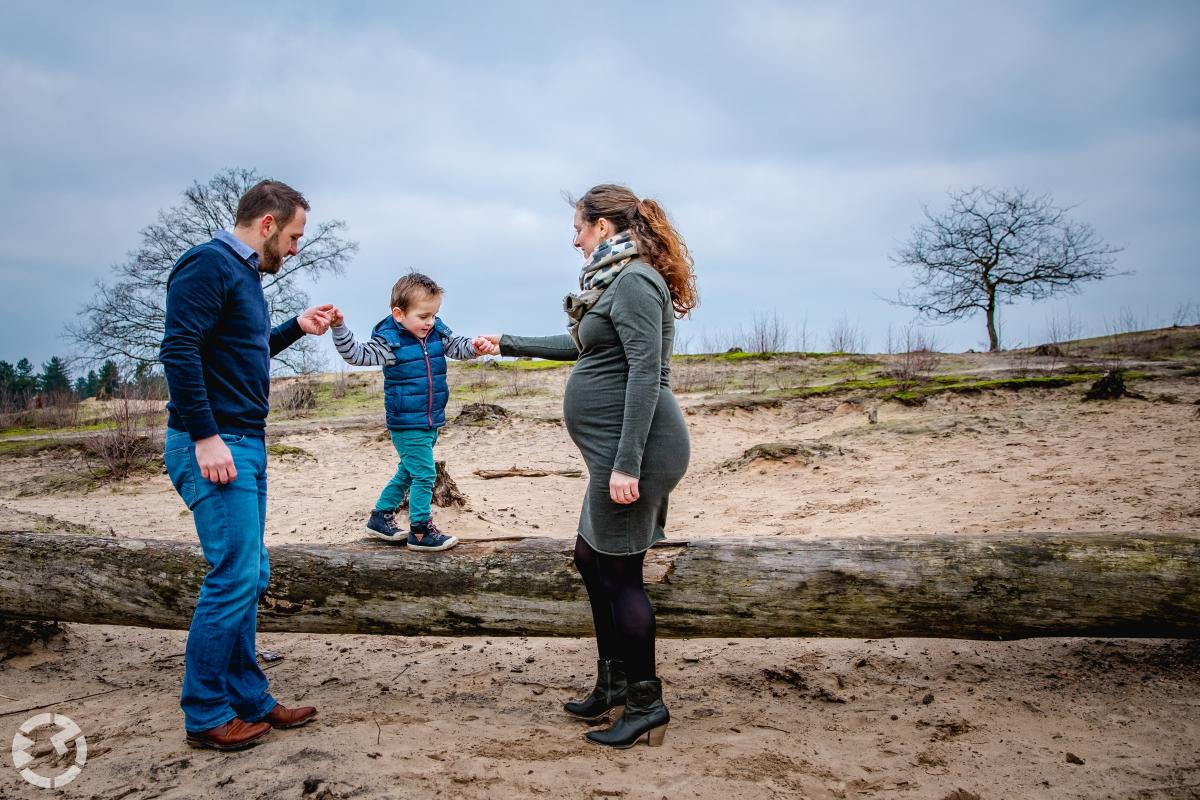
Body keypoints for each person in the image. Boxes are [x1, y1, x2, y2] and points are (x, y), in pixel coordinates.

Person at [477, 184, 697, 748]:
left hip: (639, 453)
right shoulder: (611, 282)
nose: (573, 238)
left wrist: (626, 466)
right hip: (615, 453)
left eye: (578, 226)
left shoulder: (635, 282)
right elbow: (583, 345)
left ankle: (647, 702)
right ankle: (615, 681)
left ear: (602, 226)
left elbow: (648, 374)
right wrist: (505, 342)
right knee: (587, 557)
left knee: (622, 574)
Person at [160, 179, 333, 751]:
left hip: (244, 440)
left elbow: (239, 350)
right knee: (233, 575)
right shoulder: (205, 265)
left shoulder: (246, 277)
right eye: (293, 235)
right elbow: (179, 351)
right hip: (214, 443)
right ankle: (206, 712)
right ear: (266, 226)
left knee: (249, 575)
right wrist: (206, 438)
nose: (295, 246)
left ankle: (250, 698)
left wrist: (294, 329)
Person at [329, 272, 488, 550]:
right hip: (406, 421)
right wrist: (339, 328)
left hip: (430, 419)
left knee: (408, 471)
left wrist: (475, 347)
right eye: (424, 316)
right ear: (399, 314)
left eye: (434, 315)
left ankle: (380, 516)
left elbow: (458, 346)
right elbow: (355, 354)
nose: (430, 322)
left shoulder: (436, 332)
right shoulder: (390, 342)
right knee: (425, 474)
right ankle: (420, 531)